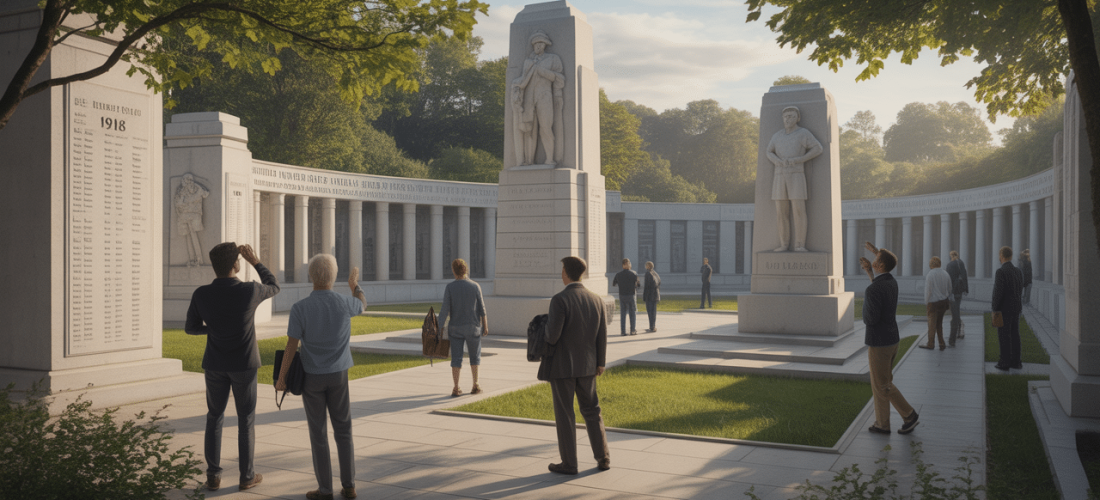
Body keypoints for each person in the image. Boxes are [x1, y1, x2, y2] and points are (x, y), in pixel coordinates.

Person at [185, 242, 280, 492]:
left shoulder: (201, 294)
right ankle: (246, 476)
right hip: (244, 364)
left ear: (214, 266)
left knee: (214, 417)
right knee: (245, 419)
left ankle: (213, 476)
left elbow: (191, 328)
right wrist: (256, 262)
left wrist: (214, 330)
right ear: (236, 264)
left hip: (215, 364)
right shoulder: (249, 290)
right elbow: (274, 286)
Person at [276, 254, 365, 500]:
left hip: (311, 378)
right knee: (343, 430)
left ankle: (325, 490)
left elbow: (291, 346)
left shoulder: (300, 308)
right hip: (338, 375)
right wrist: (354, 285)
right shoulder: (345, 303)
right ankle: (349, 485)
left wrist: (281, 377)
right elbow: (363, 303)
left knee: (318, 434)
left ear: (311, 276)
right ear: (333, 277)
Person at [540, 256, 610, 474]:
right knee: (592, 411)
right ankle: (603, 458)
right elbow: (602, 335)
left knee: (565, 414)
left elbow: (552, 336)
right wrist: (600, 362)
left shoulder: (559, 300)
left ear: (566, 273)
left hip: (562, 367)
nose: (561, 273)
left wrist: (540, 328)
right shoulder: (597, 299)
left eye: (562, 269)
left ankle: (569, 463)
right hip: (589, 366)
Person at [859, 241, 919, 435]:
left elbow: (870, 318)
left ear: (881, 266)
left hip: (879, 342)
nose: (872, 261)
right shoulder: (891, 282)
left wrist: (865, 309)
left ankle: (909, 415)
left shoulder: (874, 289)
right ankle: (882, 423)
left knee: (882, 385)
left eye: (875, 260)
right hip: (892, 339)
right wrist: (870, 270)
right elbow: (878, 284)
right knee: (880, 384)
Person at [766, 106, 823, 252]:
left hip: (797, 174)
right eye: (785, 117)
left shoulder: (803, 133)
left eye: (791, 116)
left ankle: (800, 244)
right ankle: (784, 244)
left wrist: (800, 159)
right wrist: (777, 161)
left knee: (799, 210)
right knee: (781, 211)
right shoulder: (777, 136)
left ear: (797, 118)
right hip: (779, 175)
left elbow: (817, 148)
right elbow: (769, 151)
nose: (787, 119)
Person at [512, 30, 565, 166]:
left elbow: (560, 79)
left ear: (545, 45)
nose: (538, 46)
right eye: (535, 44)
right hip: (529, 98)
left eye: (540, 43)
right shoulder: (528, 62)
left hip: (545, 96)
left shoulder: (553, 59)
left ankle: (549, 159)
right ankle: (529, 161)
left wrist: (544, 72)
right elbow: (523, 80)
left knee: (546, 128)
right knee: (528, 129)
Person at [437, 258, 489, 397]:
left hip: (455, 328)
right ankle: (475, 384)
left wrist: (438, 328)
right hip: (473, 327)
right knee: (475, 356)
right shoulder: (475, 286)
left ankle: (456, 387)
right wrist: (485, 325)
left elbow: (444, 310)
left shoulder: (450, 287)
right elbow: (482, 308)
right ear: (466, 270)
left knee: (456, 358)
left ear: (454, 271)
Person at [992, 246, 1024, 371]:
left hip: (1004, 309)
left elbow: (998, 292)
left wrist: (994, 308)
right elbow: (1020, 288)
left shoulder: (1001, 272)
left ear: (1001, 256)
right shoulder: (1017, 271)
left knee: (1004, 336)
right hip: (1016, 307)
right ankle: (1016, 362)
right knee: (1015, 334)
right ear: (1010, 256)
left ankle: (1004, 362)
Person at [174, 173, 209, 266]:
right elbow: (178, 203)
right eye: (185, 180)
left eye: (188, 180)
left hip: (193, 215)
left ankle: (199, 259)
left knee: (192, 236)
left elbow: (203, 195)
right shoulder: (181, 190)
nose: (186, 182)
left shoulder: (196, 188)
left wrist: (186, 202)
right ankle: (193, 259)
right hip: (184, 216)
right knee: (188, 237)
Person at [919, 257, 952, 350]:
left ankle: (930, 343)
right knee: (939, 323)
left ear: (931, 264)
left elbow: (928, 290)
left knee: (931, 324)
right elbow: (950, 288)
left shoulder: (930, 274)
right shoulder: (946, 274)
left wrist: (926, 302)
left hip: (933, 303)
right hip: (943, 302)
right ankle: (941, 343)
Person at [945, 250, 969, 345]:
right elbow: (965, 276)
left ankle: (954, 336)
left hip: (953, 291)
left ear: (950, 256)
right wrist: (966, 289)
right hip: (960, 290)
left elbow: (948, 279)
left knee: (954, 314)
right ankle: (960, 329)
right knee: (956, 310)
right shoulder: (961, 263)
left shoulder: (950, 265)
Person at [612, 258, 640, 336]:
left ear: (622, 265)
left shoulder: (618, 274)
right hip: (631, 295)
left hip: (622, 295)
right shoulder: (634, 273)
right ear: (629, 265)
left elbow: (614, 284)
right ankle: (633, 330)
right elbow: (639, 285)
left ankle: (623, 331)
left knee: (623, 313)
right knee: (632, 313)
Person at [642, 261, 661, 333]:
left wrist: (644, 296)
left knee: (650, 312)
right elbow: (659, 282)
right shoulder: (655, 273)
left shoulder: (647, 274)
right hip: (655, 295)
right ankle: (653, 326)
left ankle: (651, 327)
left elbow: (647, 286)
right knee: (654, 312)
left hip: (649, 296)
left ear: (648, 266)